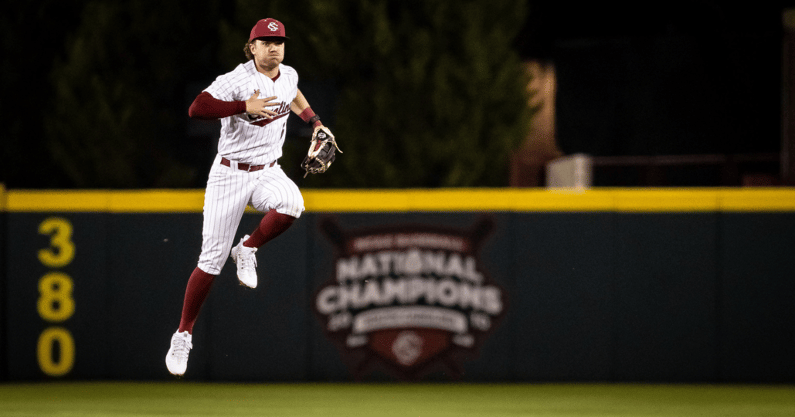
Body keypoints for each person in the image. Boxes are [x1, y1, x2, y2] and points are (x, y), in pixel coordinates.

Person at [165, 18, 331, 376]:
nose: (274, 47)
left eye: (279, 42)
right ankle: (183, 335)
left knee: (292, 203)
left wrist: (315, 121)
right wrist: (242, 107)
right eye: (266, 42)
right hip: (229, 173)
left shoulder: (288, 75)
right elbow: (197, 108)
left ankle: (249, 247)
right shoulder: (236, 80)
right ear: (251, 47)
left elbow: (295, 94)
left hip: (268, 169)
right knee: (210, 262)